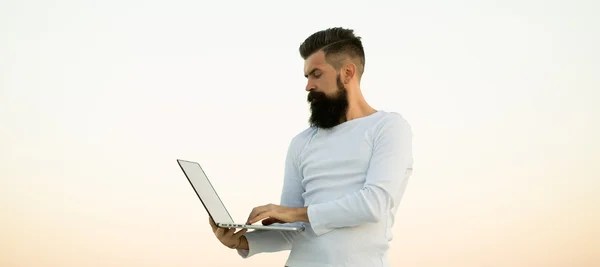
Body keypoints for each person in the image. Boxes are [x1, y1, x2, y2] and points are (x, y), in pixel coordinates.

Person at [209, 27, 414, 267]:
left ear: (347, 73)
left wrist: (293, 213)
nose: (308, 86)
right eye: (306, 77)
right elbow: (292, 230)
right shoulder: (301, 143)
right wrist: (241, 241)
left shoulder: (388, 127)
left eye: (316, 74)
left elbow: (373, 205)